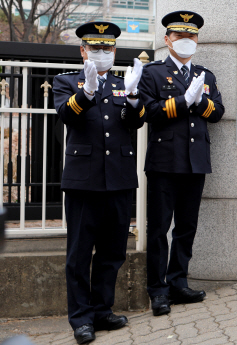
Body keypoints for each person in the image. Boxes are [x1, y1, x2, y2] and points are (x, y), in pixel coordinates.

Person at [53, 22, 145, 344]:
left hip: (118, 180)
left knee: (112, 252)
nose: (102, 53)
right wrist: (87, 93)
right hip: (83, 182)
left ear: (115, 51)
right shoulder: (66, 81)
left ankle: (102, 310)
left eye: (108, 49)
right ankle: (81, 319)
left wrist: (134, 97)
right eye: (95, 48)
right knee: (79, 254)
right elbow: (67, 115)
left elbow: (135, 122)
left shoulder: (124, 83)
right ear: (83, 51)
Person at [139, 11, 224, 316]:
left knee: (186, 227)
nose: (186, 41)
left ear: (197, 40)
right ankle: (158, 291)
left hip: (195, 161)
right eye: (179, 36)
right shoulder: (153, 73)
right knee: (159, 228)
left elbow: (217, 113)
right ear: (167, 39)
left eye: (191, 36)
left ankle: (178, 282)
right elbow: (149, 112)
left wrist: (199, 100)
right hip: (164, 162)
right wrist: (182, 102)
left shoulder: (205, 76)